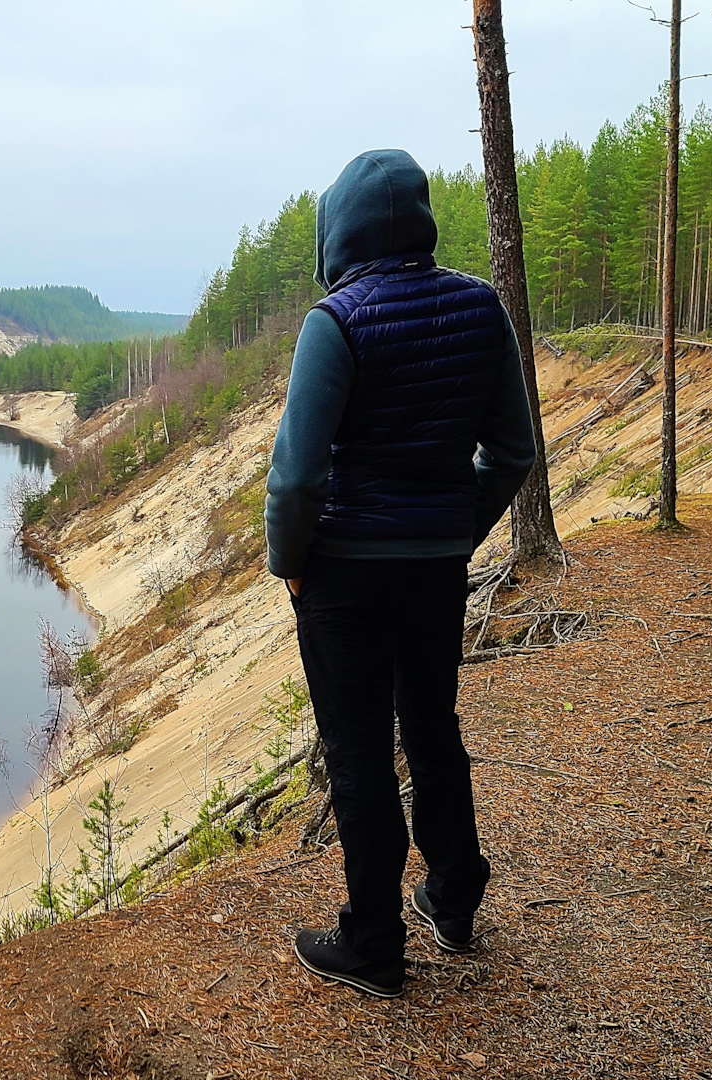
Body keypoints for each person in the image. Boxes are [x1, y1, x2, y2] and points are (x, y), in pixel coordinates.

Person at [265, 148, 537, 998]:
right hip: (434, 571)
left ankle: (374, 943)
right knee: (431, 726)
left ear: (338, 227)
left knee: (357, 754)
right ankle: (453, 899)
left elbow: (296, 479)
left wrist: (292, 566)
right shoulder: (481, 308)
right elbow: (513, 452)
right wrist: (454, 530)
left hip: (344, 577)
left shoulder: (334, 321)